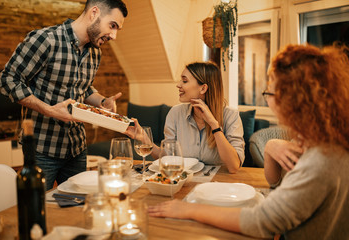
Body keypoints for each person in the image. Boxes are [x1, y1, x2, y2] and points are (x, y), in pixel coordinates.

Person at [148, 44, 349, 240]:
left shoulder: (320, 161)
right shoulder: (322, 142)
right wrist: (271, 147)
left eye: (270, 92)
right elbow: (277, 185)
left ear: (293, 101)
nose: (268, 100)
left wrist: (189, 209)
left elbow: (262, 221)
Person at [0, 0, 128, 190]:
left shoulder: (95, 53)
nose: (114, 36)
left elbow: (83, 87)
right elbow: (7, 79)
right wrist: (48, 110)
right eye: (112, 25)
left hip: (77, 148)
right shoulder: (45, 39)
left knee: (77, 207)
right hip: (42, 149)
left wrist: (102, 101)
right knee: (40, 208)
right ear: (94, 13)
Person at [126, 61, 245, 173]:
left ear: (203, 88)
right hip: (184, 182)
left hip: (218, 186)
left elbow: (234, 166)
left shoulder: (231, 116)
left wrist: (214, 124)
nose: (178, 85)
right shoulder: (175, 113)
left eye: (184, 81)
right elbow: (167, 158)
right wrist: (145, 140)